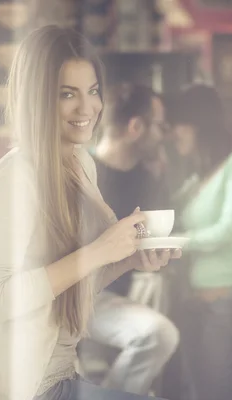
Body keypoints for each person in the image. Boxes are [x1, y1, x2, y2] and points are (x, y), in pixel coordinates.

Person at [0, 25, 179, 400]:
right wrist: (99, 250)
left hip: (62, 372)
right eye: (68, 94)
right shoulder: (18, 175)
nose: (87, 108)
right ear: (39, 99)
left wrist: (127, 261)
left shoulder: (80, 165)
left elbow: (71, 287)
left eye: (93, 91)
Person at [170, 84, 232, 400]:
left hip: (228, 307)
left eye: (178, 125)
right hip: (195, 306)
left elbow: (231, 229)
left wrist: (176, 242)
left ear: (197, 123)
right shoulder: (197, 178)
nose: (173, 133)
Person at [87, 83, 179, 395]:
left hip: (118, 297)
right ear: (136, 127)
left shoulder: (148, 178)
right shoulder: (82, 175)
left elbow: (152, 239)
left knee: (163, 331)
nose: (164, 135)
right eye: (161, 126)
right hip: (76, 295)